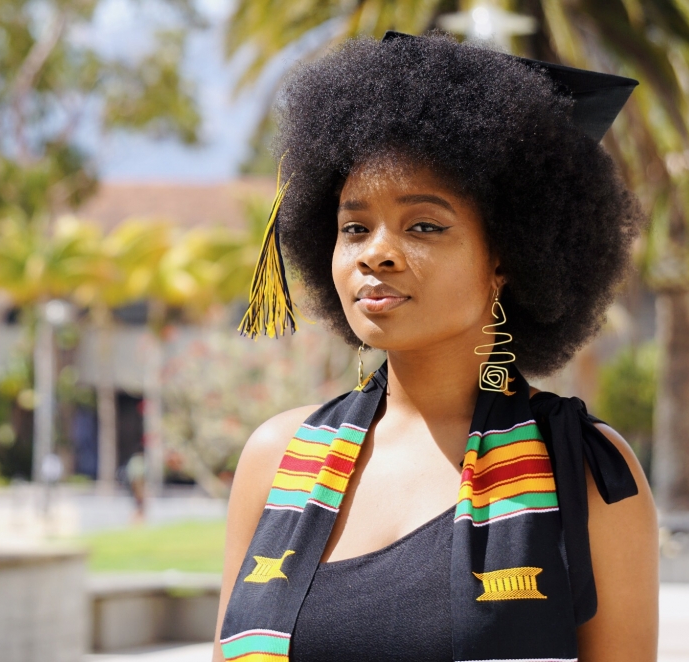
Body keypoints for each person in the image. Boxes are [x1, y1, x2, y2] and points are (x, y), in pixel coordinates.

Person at [214, 31, 658, 662]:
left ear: (507, 256)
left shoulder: (586, 472)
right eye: (354, 227)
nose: (378, 253)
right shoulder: (278, 460)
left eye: (424, 225)